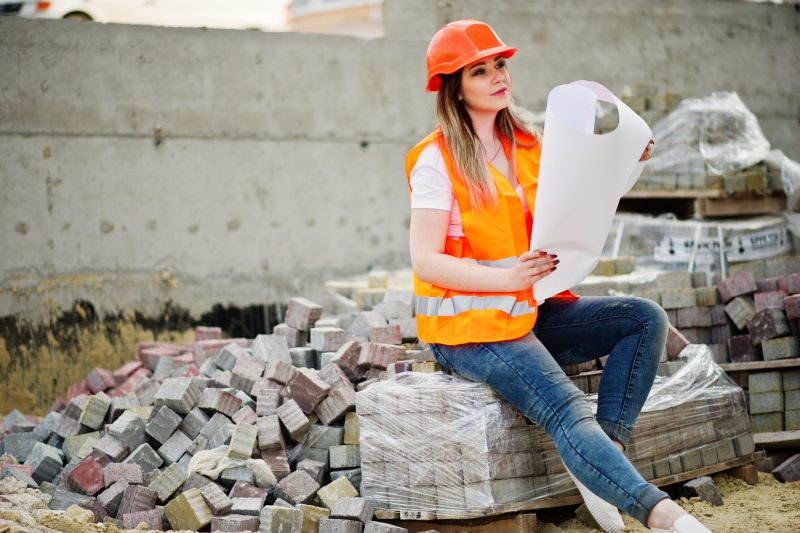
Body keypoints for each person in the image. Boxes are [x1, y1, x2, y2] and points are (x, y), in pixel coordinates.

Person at [406, 20, 713, 533]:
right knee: (568, 409)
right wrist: (506, 278)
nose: (497, 76)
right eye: (479, 71)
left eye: (500, 64)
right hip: (469, 328)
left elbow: (579, 198)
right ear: (454, 88)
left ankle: (603, 459)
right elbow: (426, 261)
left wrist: (623, 160)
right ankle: (665, 517)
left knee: (642, 319)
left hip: (529, 307)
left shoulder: (528, 142)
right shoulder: (436, 161)